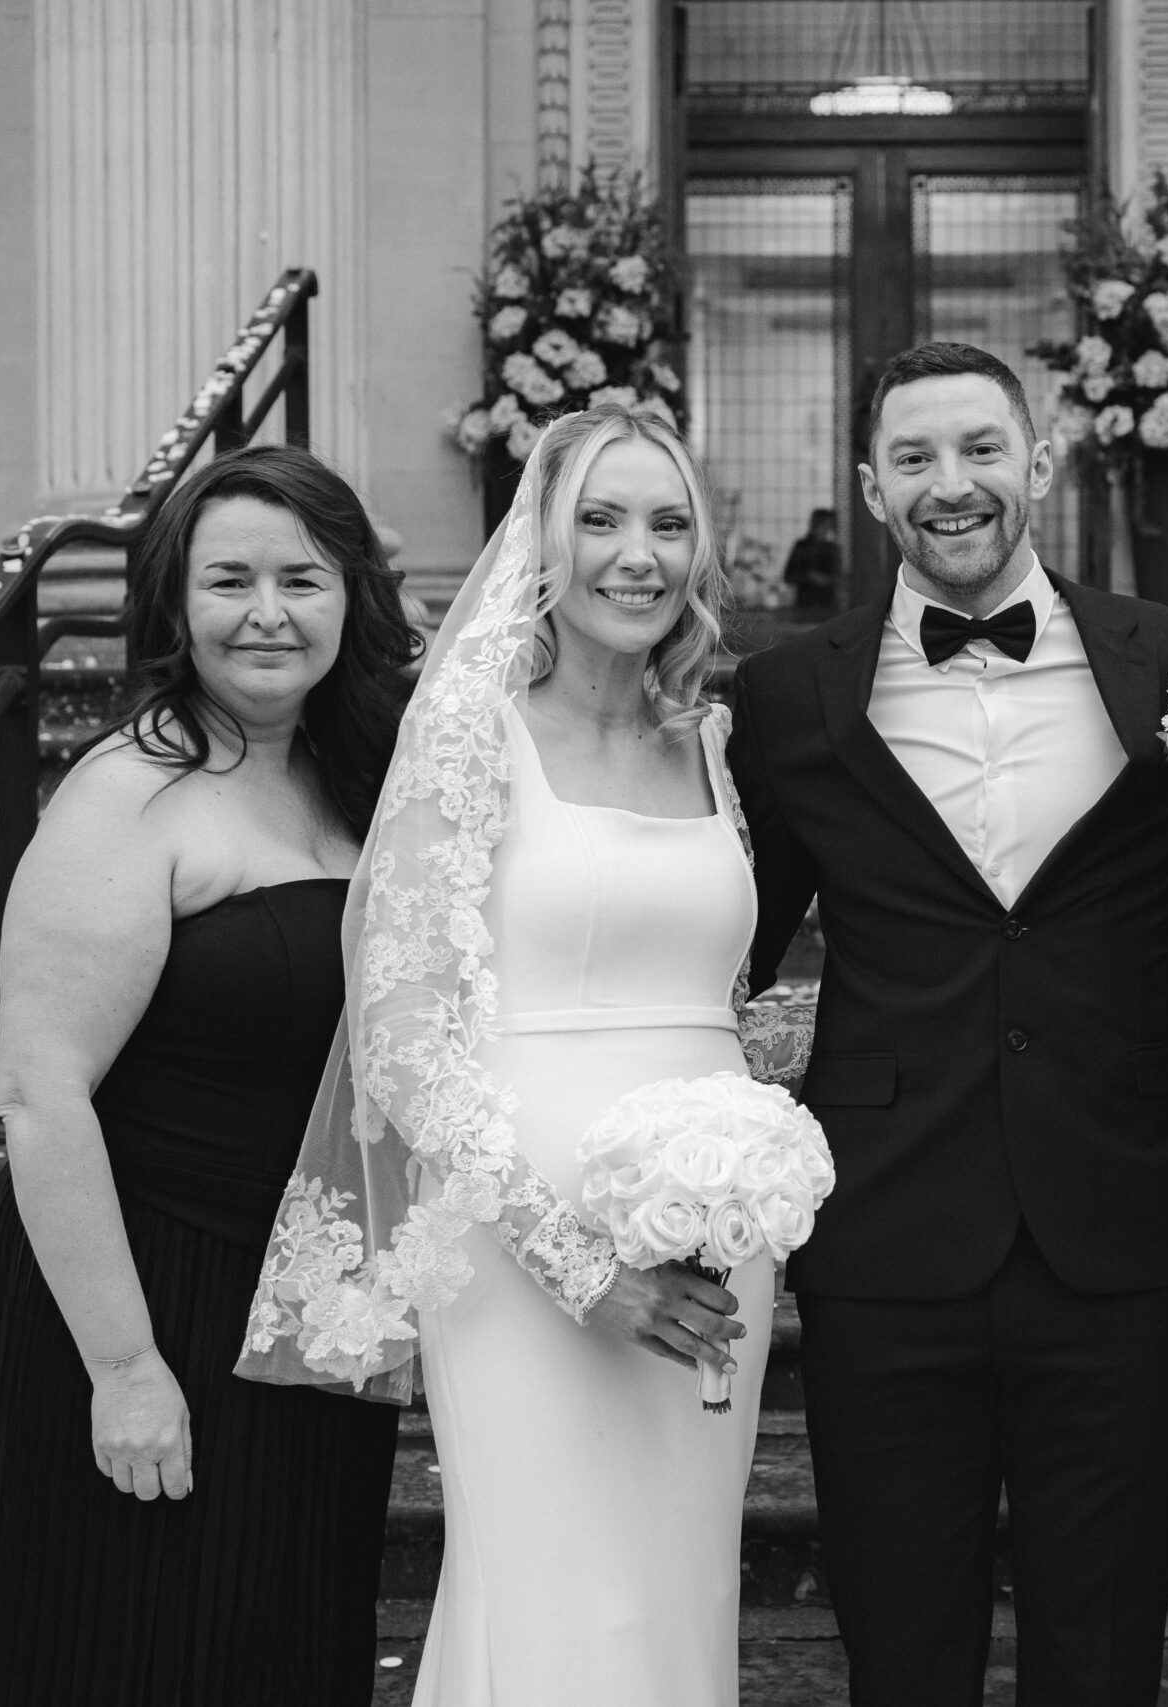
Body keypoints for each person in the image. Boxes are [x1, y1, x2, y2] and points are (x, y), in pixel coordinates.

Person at [238, 404, 798, 1706]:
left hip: (712, 1233)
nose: (636, 553)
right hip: (520, 1239)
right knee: (550, 1588)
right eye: (601, 518)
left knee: (675, 1586)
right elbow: (400, 1033)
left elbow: (710, 988)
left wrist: (755, 1147)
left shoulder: (706, 743)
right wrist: (578, 1262)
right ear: (544, 540)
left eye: (668, 522)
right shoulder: (472, 738)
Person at [727, 341, 1168, 1705]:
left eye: (980, 449)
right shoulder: (789, 697)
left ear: (1040, 462)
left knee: (1108, 1641)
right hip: (887, 1231)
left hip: (1125, 1227)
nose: (951, 485)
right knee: (901, 1644)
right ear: (871, 485)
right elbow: (724, 949)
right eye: (914, 458)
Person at [0, 445, 424, 1705]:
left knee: (277, 1644)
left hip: (308, 1301)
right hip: (154, 1290)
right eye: (230, 580)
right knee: (137, 1649)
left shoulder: (354, 774)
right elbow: (41, 1096)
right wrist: (124, 1367)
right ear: (173, 604)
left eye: (303, 578)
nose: (268, 612)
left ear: (350, 597)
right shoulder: (128, 794)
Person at [783, 506, 841, 612]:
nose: (826, 529)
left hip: (827, 606)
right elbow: (788, 577)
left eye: (829, 526)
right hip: (805, 605)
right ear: (815, 525)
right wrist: (809, 576)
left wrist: (826, 580)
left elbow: (841, 577)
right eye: (823, 525)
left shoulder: (832, 549)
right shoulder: (801, 547)